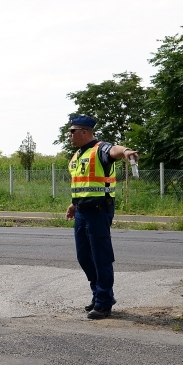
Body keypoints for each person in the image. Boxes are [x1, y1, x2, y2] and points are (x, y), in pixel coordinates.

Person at [64, 115, 138, 320]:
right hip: (81, 211)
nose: (69, 135)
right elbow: (83, 183)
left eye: (72, 131)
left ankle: (104, 302)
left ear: (84, 132)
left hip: (98, 211)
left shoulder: (100, 149)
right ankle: (99, 295)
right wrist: (74, 204)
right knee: (84, 257)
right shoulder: (77, 155)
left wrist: (126, 151)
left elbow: (114, 150)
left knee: (100, 257)